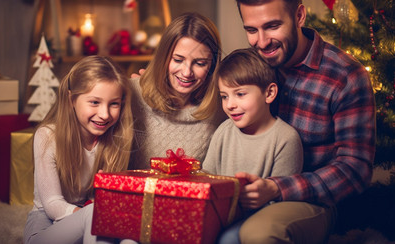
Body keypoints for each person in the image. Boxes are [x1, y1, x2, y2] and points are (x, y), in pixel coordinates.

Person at [232, 0, 376, 243]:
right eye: (251, 30)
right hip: (251, 189)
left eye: (272, 26)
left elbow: (355, 169)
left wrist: (276, 188)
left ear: (299, 15)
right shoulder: (249, 67)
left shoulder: (346, 76)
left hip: (317, 201)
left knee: (259, 234)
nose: (261, 42)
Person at [23, 56, 135, 244]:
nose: (105, 114)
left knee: (130, 240)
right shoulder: (47, 136)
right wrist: (92, 215)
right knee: (94, 215)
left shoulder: (115, 140)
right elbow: (52, 204)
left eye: (114, 104)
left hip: (91, 226)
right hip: (46, 227)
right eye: (94, 102)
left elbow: (107, 204)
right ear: (71, 99)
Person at [202, 48, 303, 243]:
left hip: (258, 218)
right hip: (221, 214)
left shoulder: (286, 139)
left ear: (269, 93)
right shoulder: (224, 130)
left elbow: (282, 203)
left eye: (240, 94)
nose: (230, 104)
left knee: (229, 239)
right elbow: (207, 176)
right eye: (224, 96)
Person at [128, 12, 225, 170]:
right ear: (163, 58)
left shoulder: (222, 107)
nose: (187, 73)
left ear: (212, 66)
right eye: (178, 60)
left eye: (200, 63)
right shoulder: (129, 93)